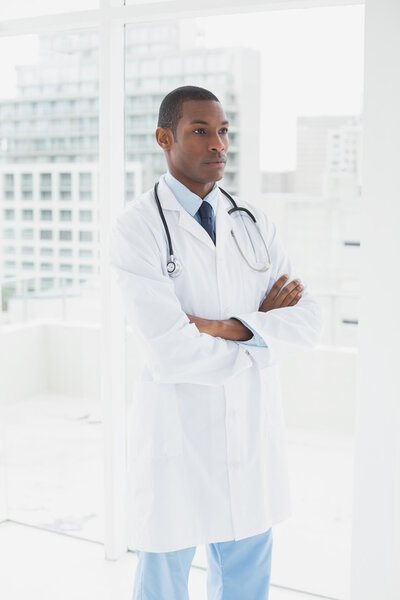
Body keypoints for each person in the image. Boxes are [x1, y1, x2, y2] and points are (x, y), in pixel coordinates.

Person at [109, 85, 322, 600]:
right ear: (165, 138)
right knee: (163, 580)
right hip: (176, 435)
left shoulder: (253, 222)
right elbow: (170, 350)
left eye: (223, 131)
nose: (218, 144)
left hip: (249, 436)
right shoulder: (136, 228)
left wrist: (221, 326)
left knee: (247, 580)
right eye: (200, 131)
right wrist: (258, 335)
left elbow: (307, 322)